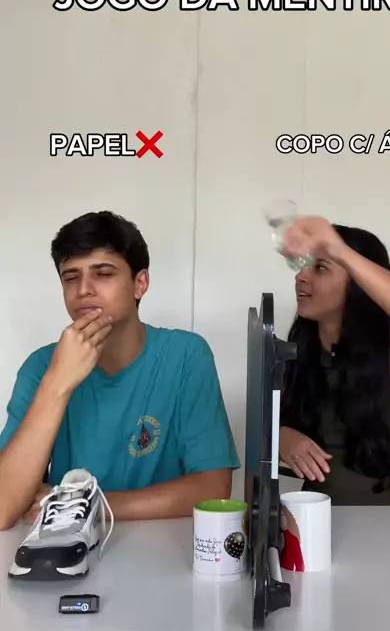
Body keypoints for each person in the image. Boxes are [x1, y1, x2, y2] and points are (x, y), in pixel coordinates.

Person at [0, 211, 240, 530]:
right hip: (66, 547)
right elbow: (3, 507)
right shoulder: (41, 367)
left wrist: (81, 505)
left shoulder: (186, 355)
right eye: (70, 277)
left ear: (140, 283)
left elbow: (213, 488)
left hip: (163, 547)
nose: (83, 289)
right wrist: (57, 384)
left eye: (103, 273)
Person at [278, 216, 390, 505]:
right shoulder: (299, 354)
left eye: (320, 268)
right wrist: (282, 437)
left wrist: (339, 250)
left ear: (359, 284)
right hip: (317, 524)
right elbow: (262, 430)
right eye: (305, 266)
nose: (301, 276)